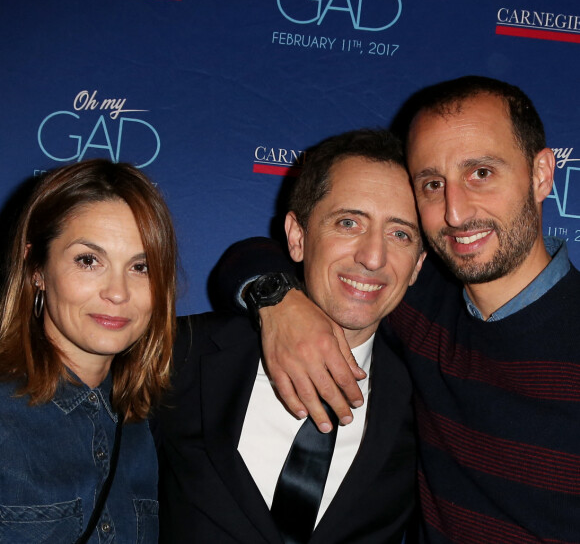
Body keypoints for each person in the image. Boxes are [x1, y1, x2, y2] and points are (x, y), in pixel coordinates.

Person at [223, 76, 580, 542]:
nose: (455, 212)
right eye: (432, 184)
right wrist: (278, 301)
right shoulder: (413, 295)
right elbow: (253, 254)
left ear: (541, 175)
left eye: (481, 173)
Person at [153, 129, 426, 543]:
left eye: (400, 233)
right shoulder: (182, 356)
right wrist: (273, 297)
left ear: (419, 264)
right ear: (297, 237)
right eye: (348, 223)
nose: (373, 256)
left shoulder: (429, 405)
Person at [0, 159, 177, 543]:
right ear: (37, 268)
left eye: (141, 266)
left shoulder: (142, 423)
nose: (117, 292)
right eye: (88, 260)